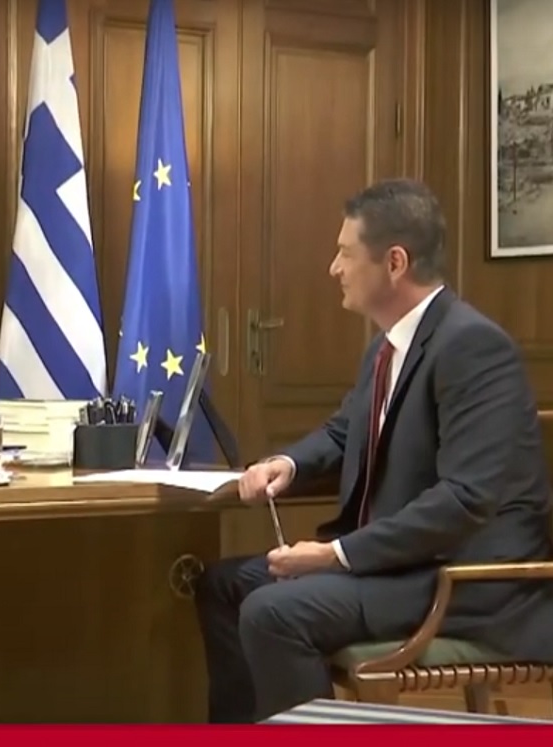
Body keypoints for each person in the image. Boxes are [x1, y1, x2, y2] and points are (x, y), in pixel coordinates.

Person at [193, 178, 553, 723]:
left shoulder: (473, 347)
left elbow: (464, 498)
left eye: (345, 253)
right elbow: (345, 434)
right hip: (402, 566)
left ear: (394, 263)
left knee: (274, 611)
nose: (333, 268)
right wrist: (286, 463)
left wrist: (336, 554)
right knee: (223, 585)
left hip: (466, 583)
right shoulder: (387, 347)